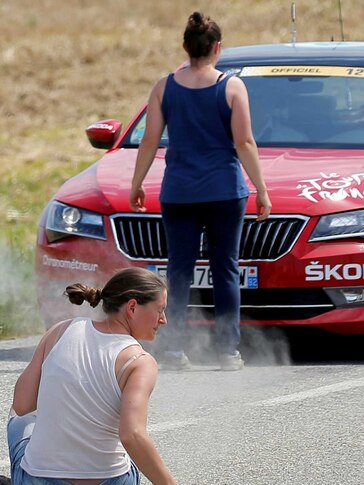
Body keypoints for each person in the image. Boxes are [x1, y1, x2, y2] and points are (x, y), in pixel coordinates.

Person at [129, 11, 271, 371]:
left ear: (185, 47)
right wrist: (262, 190)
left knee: (178, 272)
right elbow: (245, 142)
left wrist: (137, 183)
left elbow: (148, 141)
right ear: (217, 48)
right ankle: (227, 352)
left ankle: (174, 350)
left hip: (178, 193)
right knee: (225, 268)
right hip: (225, 192)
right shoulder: (233, 87)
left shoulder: (165, 88)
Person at [5, 267, 177, 485]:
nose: (164, 320)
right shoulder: (140, 361)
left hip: (40, 479)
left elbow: (22, 405)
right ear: (132, 307)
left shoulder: (61, 330)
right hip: (110, 481)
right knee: (129, 460)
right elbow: (132, 435)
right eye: (160, 310)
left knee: (19, 423)